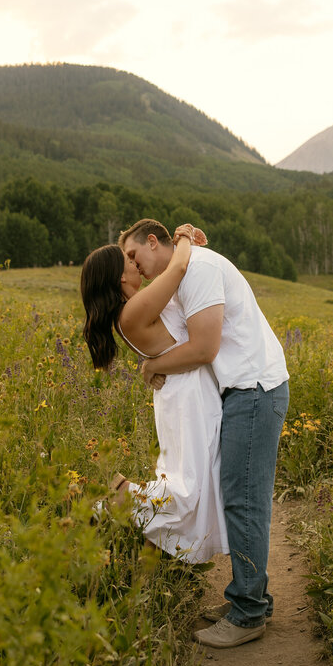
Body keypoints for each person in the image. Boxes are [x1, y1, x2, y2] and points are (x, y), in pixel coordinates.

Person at [119, 219, 289, 649]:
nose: (135, 267)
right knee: (240, 497)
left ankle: (249, 614)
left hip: (254, 387)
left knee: (242, 500)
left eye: (134, 256)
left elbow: (204, 348)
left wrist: (153, 366)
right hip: (242, 389)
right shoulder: (183, 271)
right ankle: (251, 598)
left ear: (152, 242)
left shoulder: (200, 270)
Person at [79, 226, 228, 564]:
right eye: (128, 261)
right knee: (190, 487)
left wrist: (151, 364)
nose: (136, 264)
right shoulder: (132, 312)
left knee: (186, 479)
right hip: (189, 395)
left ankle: (149, 559)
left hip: (180, 391)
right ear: (118, 277)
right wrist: (186, 237)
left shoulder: (130, 309)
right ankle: (121, 498)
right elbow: (177, 268)